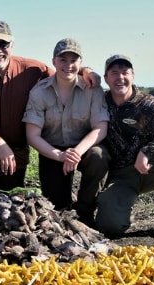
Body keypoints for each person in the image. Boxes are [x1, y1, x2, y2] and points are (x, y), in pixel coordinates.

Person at [0, 20, 101, 218]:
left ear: (12, 45)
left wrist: (84, 70)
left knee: (10, 202)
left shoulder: (33, 69)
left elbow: (64, 74)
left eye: (3, 44)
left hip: (17, 149)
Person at [22, 38, 110, 227]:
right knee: (57, 211)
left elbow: (100, 128)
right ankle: (65, 200)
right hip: (53, 151)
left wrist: (76, 152)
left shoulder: (93, 90)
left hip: (84, 147)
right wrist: (61, 156)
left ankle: (85, 210)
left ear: (81, 62)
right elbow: (32, 135)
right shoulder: (39, 92)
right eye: (63, 60)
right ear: (54, 61)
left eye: (73, 60)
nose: (68, 65)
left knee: (99, 156)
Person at [95, 54, 154, 237]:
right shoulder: (100, 101)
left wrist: (148, 150)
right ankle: (116, 205)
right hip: (122, 175)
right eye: (114, 73)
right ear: (106, 78)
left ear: (133, 76)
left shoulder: (149, 104)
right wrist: (86, 72)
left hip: (152, 168)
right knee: (110, 226)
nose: (120, 78)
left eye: (125, 72)